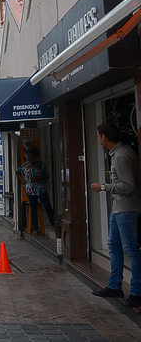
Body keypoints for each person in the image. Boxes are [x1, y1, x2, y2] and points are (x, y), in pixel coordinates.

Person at [90, 122, 141, 307]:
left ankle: (137, 291)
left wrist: (103, 187)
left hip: (127, 209)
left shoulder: (121, 156)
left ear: (104, 136)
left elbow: (129, 185)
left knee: (131, 249)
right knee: (114, 244)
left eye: (98, 136)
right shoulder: (117, 154)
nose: (98, 139)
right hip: (119, 208)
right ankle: (114, 285)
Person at [16, 147, 55, 236]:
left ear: (35, 157)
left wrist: (39, 178)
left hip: (41, 189)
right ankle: (35, 229)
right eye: (28, 157)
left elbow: (47, 176)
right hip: (30, 190)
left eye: (31, 157)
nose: (30, 159)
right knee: (33, 209)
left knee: (47, 206)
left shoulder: (40, 165)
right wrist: (22, 179)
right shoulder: (25, 166)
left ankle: (53, 224)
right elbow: (17, 171)